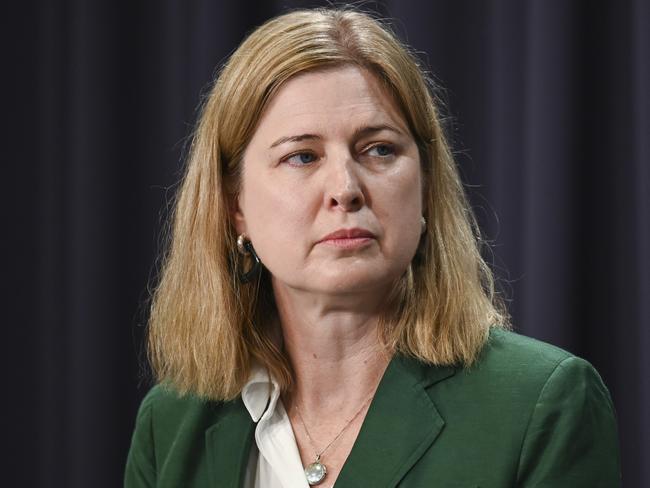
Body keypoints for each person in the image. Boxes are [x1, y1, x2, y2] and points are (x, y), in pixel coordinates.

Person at [125, 7, 621, 488]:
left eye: (379, 149)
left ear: (425, 186)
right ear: (236, 205)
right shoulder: (170, 424)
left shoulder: (541, 404)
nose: (345, 187)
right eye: (302, 156)